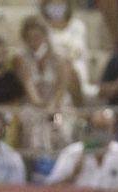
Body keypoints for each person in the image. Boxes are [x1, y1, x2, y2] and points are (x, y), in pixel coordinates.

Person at [16, 15, 72, 160]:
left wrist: (53, 105)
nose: (34, 41)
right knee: (36, 130)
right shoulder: (21, 58)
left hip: (58, 105)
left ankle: (61, 163)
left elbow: (62, 87)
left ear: (45, 36)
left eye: (38, 36)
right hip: (35, 106)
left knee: (58, 127)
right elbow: (29, 88)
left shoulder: (60, 56)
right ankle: (38, 166)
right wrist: (41, 104)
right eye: (30, 38)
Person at [46, 108, 118, 190]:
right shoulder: (72, 152)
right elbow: (51, 187)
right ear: (90, 130)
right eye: (98, 128)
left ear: (114, 130)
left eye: (105, 128)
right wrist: (73, 175)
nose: (101, 133)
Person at [40, 0, 94, 101]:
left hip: (73, 67)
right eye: (52, 4)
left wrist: (64, 60)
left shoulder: (77, 25)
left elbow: (77, 50)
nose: (56, 7)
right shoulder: (42, 27)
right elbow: (42, 52)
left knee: (68, 69)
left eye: (59, 3)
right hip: (51, 69)